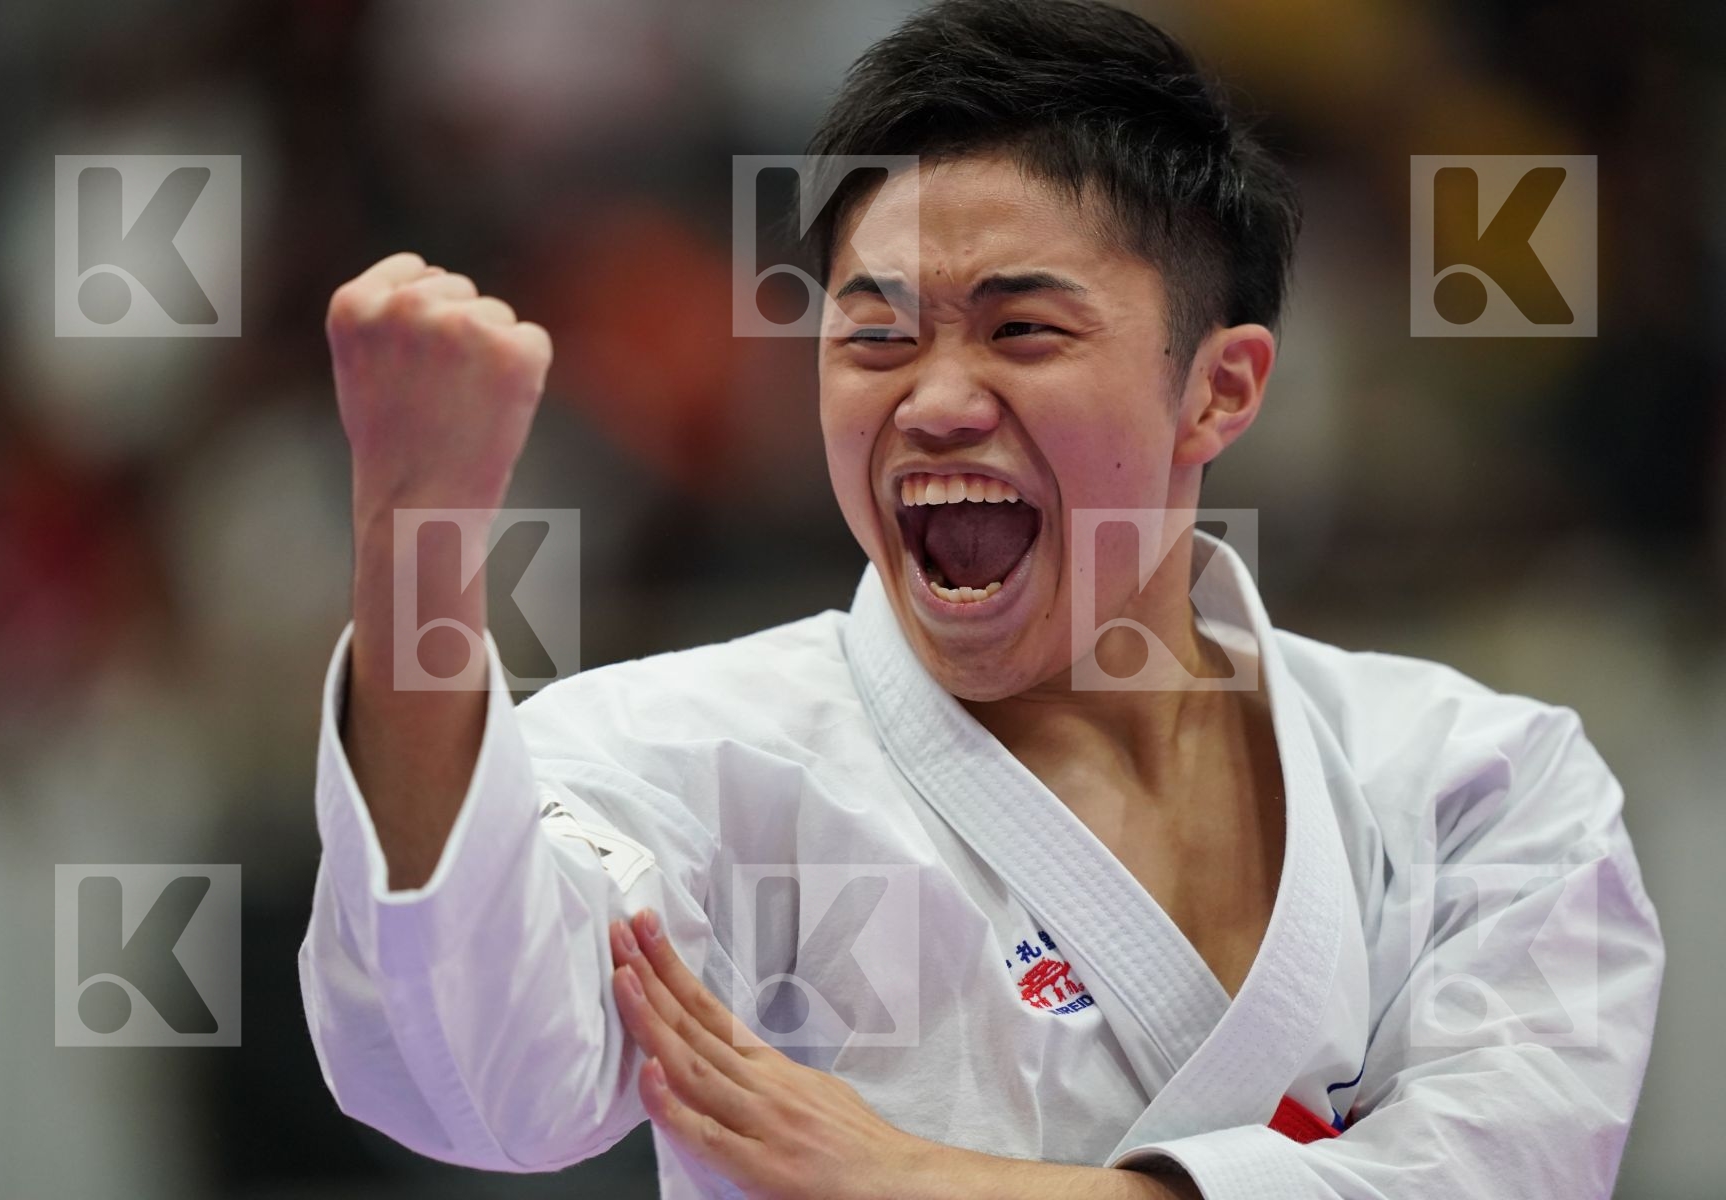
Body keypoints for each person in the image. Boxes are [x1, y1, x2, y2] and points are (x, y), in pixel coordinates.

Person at [298, 2, 1664, 1197]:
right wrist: (415, 527)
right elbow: (471, 1085)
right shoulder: (696, 757)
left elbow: (1508, 1171)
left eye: (1023, 329)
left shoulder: (1475, 781)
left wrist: (918, 1182)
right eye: (876, 335)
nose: (935, 401)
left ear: (1221, 387)